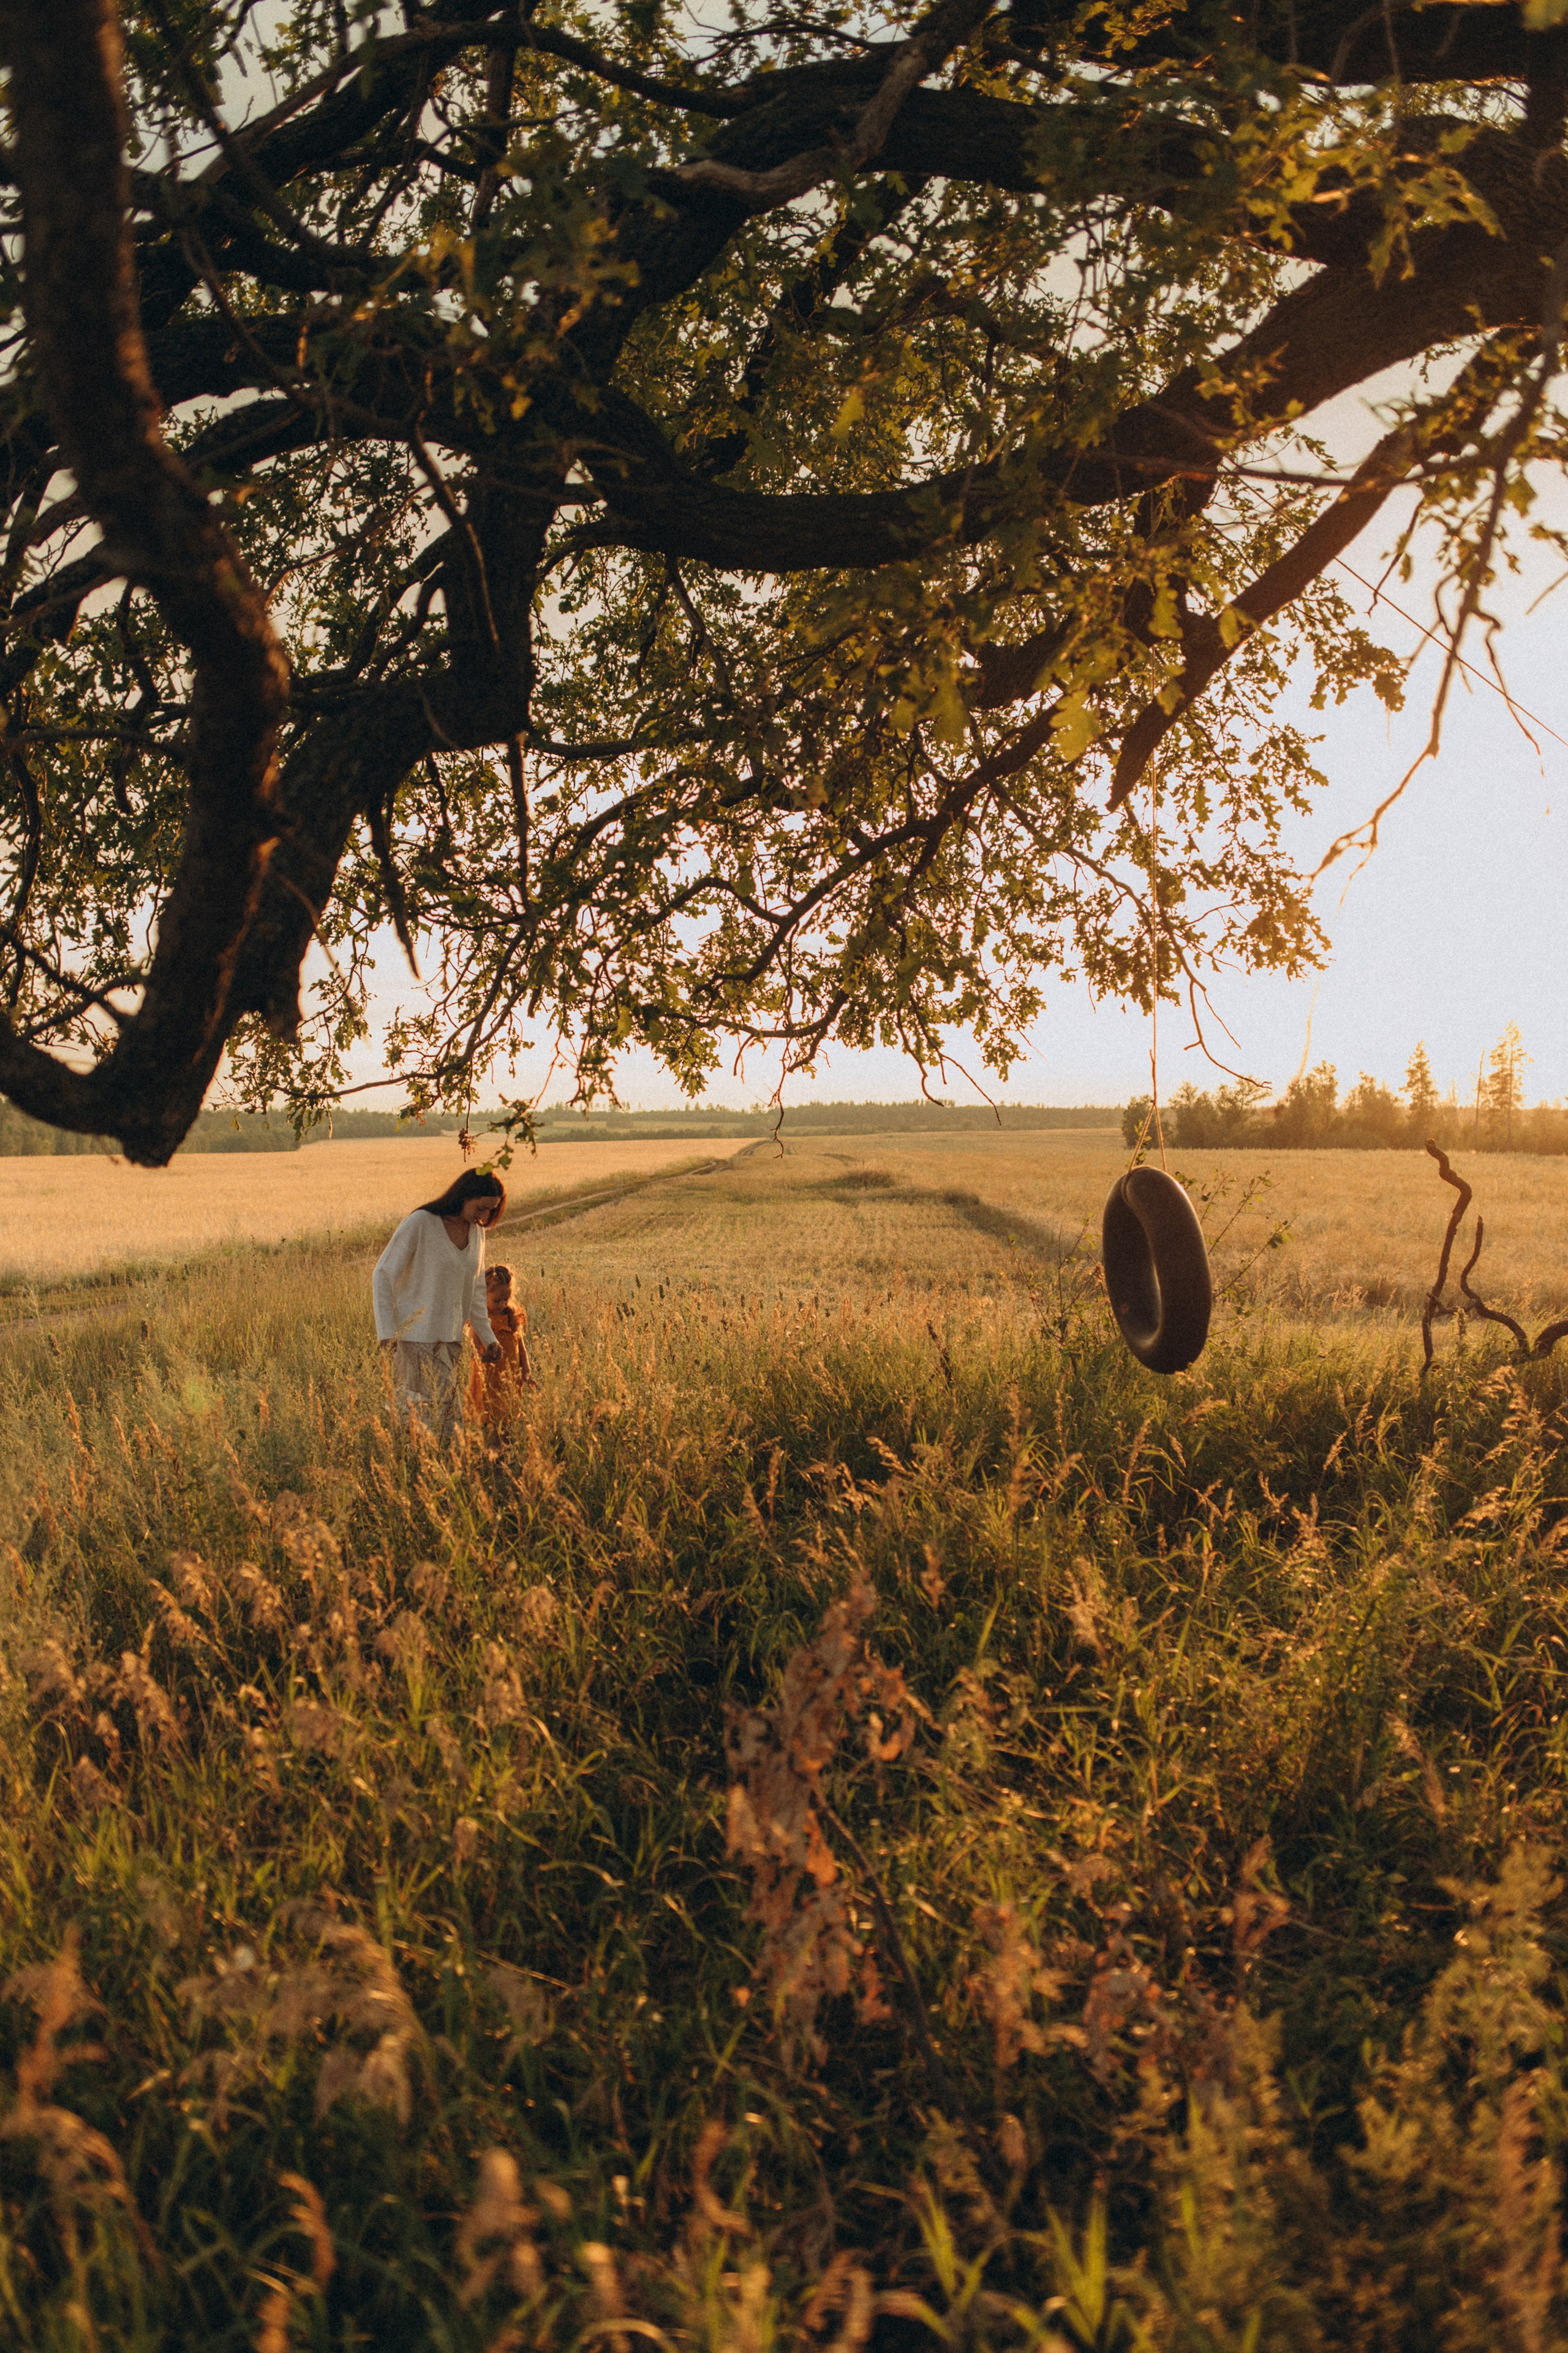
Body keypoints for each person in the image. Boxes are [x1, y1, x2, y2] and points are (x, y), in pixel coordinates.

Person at [372, 1169, 507, 1440]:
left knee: (435, 1422)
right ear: (464, 1195)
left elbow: (477, 1291)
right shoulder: (422, 1223)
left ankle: (421, 1472)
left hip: (450, 1343)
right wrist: (387, 1333)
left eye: (489, 1212)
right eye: (480, 1208)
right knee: (434, 1421)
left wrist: (489, 1338)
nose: (483, 1217)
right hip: (414, 1341)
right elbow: (382, 1275)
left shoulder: (478, 1234)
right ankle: (419, 1471)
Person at [468, 1262, 535, 1425]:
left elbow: (521, 1346)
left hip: (510, 1375)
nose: (502, 1305)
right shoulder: (481, 1319)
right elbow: (473, 1349)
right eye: (497, 1300)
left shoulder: (512, 1315)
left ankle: (505, 1443)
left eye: (507, 1299)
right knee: (489, 1416)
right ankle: (491, 1443)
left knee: (509, 1414)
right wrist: (484, 1358)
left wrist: (526, 1371)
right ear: (484, 1296)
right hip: (488, 1378)